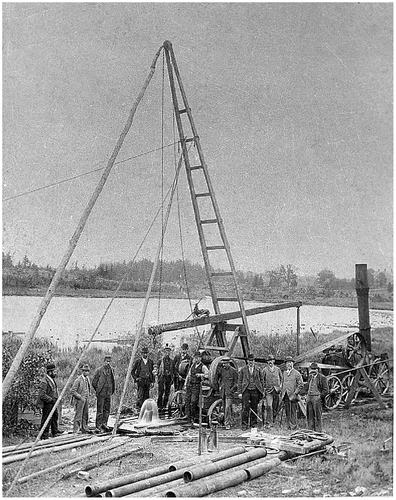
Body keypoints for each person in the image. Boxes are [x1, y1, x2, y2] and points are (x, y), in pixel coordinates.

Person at [237, 353, 264, 431]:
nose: (251, 362)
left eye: (252, 360)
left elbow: (262, 381)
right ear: (247, 361)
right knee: (245, 407)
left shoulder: (258, 370)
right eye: (249, 361)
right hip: (246, 391)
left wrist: (262, 391)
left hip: (255, 391)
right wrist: (239, 392)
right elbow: (239, 381)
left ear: (254, 361)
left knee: (254, 408)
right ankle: (244, 425)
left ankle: (253, 424)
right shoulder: (243, 369)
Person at [36, 362, 63, 439]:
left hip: (53, 403)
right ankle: (44, 435)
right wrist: (51, 400)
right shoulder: (44, 382)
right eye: (54, 372)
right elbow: (42, 395)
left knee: (55, 416)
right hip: (48, 403)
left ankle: (55, 432)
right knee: (47, 419)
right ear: (50, 372)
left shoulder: (52, 380)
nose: (55, 373)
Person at [184, 350, 209, 426]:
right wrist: (185, 384)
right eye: (196, 358)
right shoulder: (192, 365)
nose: (197, 359)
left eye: (198, 358)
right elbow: (188, 375)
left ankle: (193, 418)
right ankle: (187, 417)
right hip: (189, 385)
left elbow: (208, 375)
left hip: (196, 386)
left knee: (193, 402)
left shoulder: (203, 367)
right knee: (187, 401)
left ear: (200, 358)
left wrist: (201, 375)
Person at [92, 354, 116, 432]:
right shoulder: (99, 370)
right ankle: (98, 425)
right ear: (104, 362)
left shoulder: (111, 370)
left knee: (107, 410)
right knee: (100, 410)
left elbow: (112, 381)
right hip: (101, 393)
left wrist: (111, 390)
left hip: (108, 393)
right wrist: (98, 390)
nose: (108, 363)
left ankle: (104, 424)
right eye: (106, 361)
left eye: (109, 361)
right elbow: (94, 382)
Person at [280, 356, 304, 430]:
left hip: (293, 396)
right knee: (287, 410)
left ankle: (293, 426)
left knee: (293, 411)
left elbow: (301, 385)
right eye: (287, 363)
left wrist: (295, 393)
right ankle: (288, 426)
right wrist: (281, 391)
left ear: (292, 363)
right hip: (285, 395)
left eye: (290, 363)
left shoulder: (297, 373)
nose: (289, 364)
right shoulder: (284, 373)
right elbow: (282, 383)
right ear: (286, 364)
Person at [306, 362, 329, 432]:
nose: (313, 370)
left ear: (318, 370)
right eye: (312, 369)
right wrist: (305, 395)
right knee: (310, 415)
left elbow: (326, 390)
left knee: (317, 415)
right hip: (309, 397)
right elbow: (307, 386)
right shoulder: (310, 377)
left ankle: (318, 431)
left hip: (317, 398)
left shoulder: (322, 377)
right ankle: (310, 430)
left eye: (315, 369)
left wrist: (319, 396)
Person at [216, 356, 238, 430]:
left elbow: (236, 383)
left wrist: (232, 389)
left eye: (226, 363)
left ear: (229, 363)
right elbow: (217, 377)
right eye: (223, 363)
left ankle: (227, 424)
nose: (224, 365)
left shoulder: (233, 371)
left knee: (228, 408)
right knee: (225, 407)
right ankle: (228, 421)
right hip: (223, 392)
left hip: (230, 393)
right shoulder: (222, 370)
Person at [262, 354, 283, 426]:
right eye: (268, 361)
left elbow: (282, 379)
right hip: (268, 391)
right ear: (267, 362)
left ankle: (273, 420)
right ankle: (268, 422)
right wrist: (264, 389)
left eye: (271, 360)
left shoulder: (278, 369)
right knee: (269, 406)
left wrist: (280, 387)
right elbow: (262, 381)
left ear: (274, 361)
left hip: (276, 391)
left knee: (275, 406)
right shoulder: (264, 370)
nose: (270, 362)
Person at [131, 346, 155, 411]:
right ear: (141, 354)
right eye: (144, 353)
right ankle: (138, 409)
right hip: (141, 381)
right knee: (140, 396)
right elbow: (132, 371)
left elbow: (153, 372)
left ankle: (145, 410)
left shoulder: (151, 362)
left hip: (148, 381)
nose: (145, 354)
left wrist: (152, 381)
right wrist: (136, 379)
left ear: (148, 354)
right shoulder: (138, 362)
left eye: (146, 353)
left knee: (147, 396)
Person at [71, 363, 92, 434]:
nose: (86, 372)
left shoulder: (87, 379)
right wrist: (80, 397)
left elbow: (89, 388)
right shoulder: (78, 380)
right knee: (78, 415)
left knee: (85, 414)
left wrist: (88, 395)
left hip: (86, 400)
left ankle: (84, 428)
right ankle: (76, 430)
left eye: (87, 371)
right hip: (79, 400)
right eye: (85, 371)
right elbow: (73, 391)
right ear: (82, 371)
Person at [157, 344, 175, 409]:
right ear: (164, 352)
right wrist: (158, 376)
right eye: (166, 351)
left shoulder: (172, 361)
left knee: (167, 392)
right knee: (160, 392)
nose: (167, 353)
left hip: (169, 378)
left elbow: (174, 370)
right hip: (162, 377)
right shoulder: (160, 361)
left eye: (168, 351)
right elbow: (156, 370)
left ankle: (164, 405)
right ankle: (159, 406)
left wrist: (177, 376)